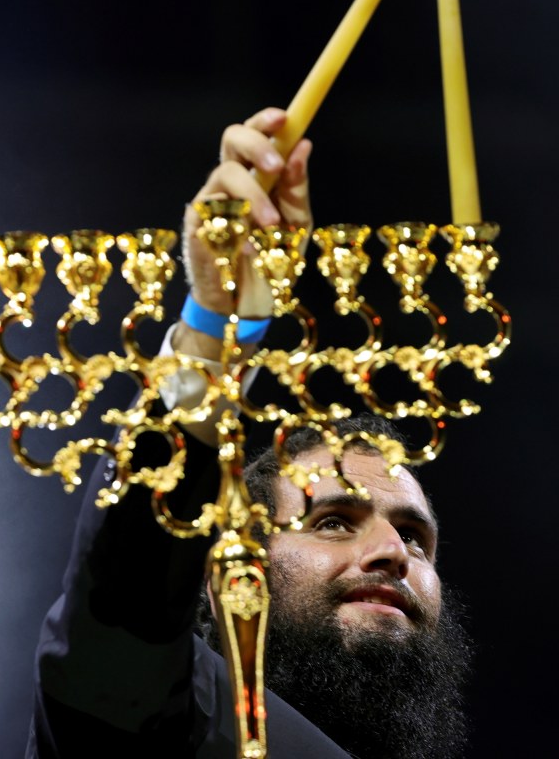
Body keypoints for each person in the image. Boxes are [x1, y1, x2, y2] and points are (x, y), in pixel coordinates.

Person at [26, 108, 473, 758]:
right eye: (332, 521)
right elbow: (125, 609)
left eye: (414, 535)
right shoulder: (178, 721)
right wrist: (212, 330)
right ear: (228, 575)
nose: (392, 551)